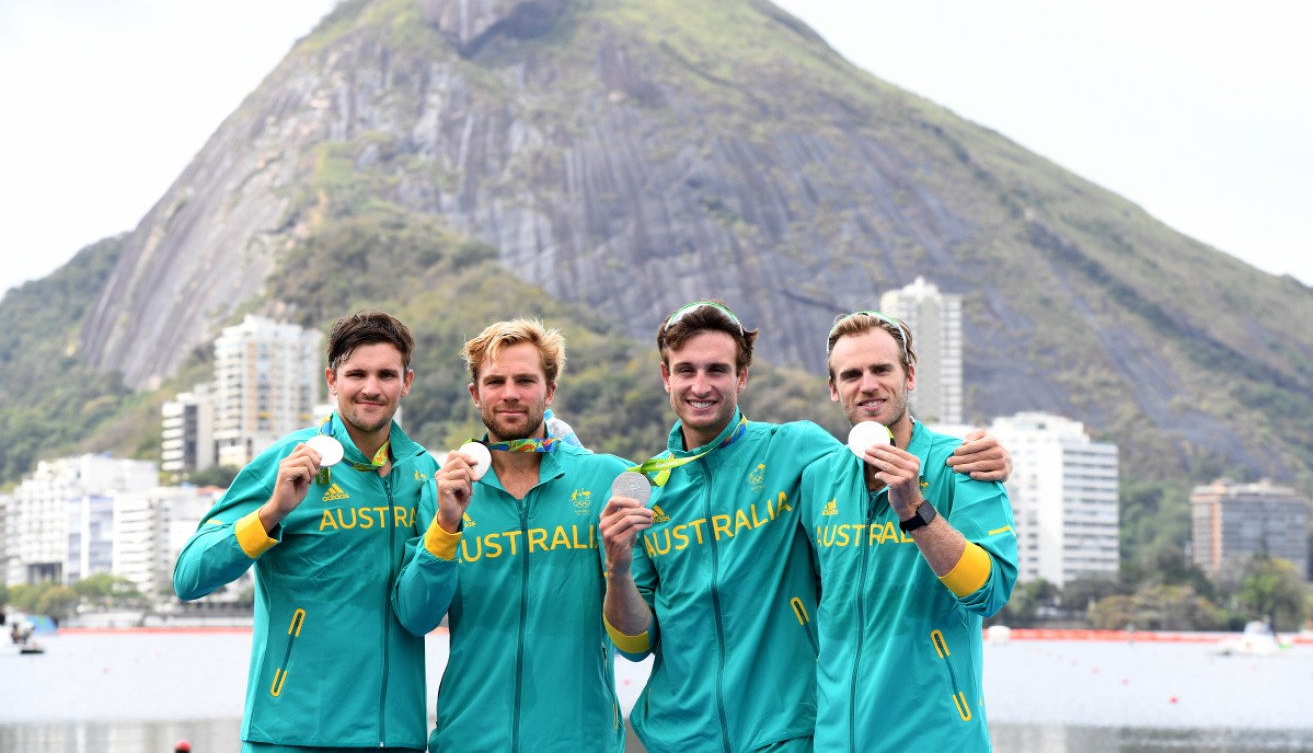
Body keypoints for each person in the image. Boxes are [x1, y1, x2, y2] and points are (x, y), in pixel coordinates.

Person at [600, 301, 1011, 752]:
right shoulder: (644, 484)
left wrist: (929, 499)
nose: (701, 385)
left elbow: (990, 591)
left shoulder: (801, 453)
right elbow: (635, 647)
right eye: (851, 375)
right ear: (666, 377)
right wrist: (615, 570)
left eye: (717, 369)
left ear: (741, 377)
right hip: (681, 737)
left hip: (803, 734)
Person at [174, 310, 448, 752]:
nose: (372, 388)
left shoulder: (425, 473)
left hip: (394, 738)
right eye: (357, 373)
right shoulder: (289, 460)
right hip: (290, 735)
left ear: (407, 382)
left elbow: (424, 612)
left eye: (386, 374)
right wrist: (272, 512)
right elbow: (189, 575)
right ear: (332, 380)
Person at [403, 318, 632, 752]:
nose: (510, 393)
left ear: (550, 392)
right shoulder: (444, 492)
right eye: (496, 381)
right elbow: (416, 616)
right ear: (476, 394)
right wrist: (446, 526)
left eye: (525, 380)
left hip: (579, 740)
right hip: (468, 740)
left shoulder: (607, 479)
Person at [800, 311, 1018, 751]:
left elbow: (991, 591)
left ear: (909, 375)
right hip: (835, 741)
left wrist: (916, 510)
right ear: (833, 389)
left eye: (882, 369)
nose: (868, 385)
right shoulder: (817, 479)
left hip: (935, 738)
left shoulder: (962, 464)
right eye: (851, 374)